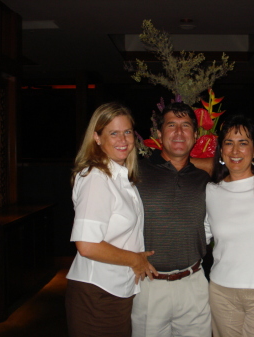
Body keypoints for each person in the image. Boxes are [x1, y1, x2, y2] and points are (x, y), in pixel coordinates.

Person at [65, 102, 157, 336]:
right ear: (97, 137)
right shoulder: (97, 177)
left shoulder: (119, 175)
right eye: (113, 133)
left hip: (116, 290)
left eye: (127, 132)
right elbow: (86, 245)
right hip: (97, 292)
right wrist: (135, 260)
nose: (123, 140)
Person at [131, 102, 212, 337]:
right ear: (159, 133)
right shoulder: (135, 173)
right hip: (149, 286)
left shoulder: (204, 180)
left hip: (194, 284)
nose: (179, 132)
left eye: (186, 126)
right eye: (171, 126)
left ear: (196, 135)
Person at [205, 115, 254, 336]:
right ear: (221, 150)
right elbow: (200, 233)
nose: (235, 151)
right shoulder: (211, 191)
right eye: (228, 143)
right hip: (222, 292)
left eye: (243, 143)